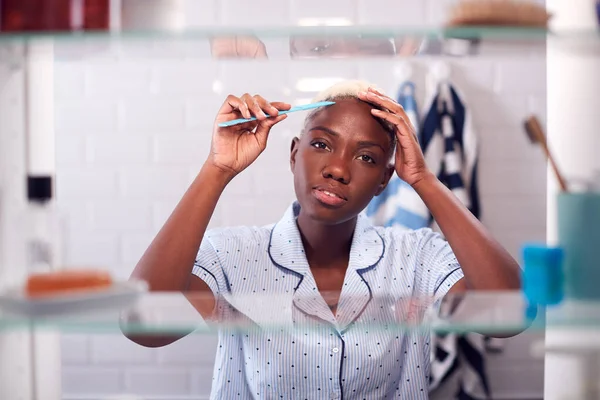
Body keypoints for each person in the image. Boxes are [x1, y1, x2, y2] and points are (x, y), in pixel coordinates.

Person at [127, 80, 521, 399]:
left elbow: (512, 315)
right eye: (321, 144)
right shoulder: (232, 254)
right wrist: (218, 168)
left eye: (366, 157)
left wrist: (423, 179)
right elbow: (143, 325)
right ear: (294, 154)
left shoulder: (415, 254)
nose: (337, 168)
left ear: (385, 179)